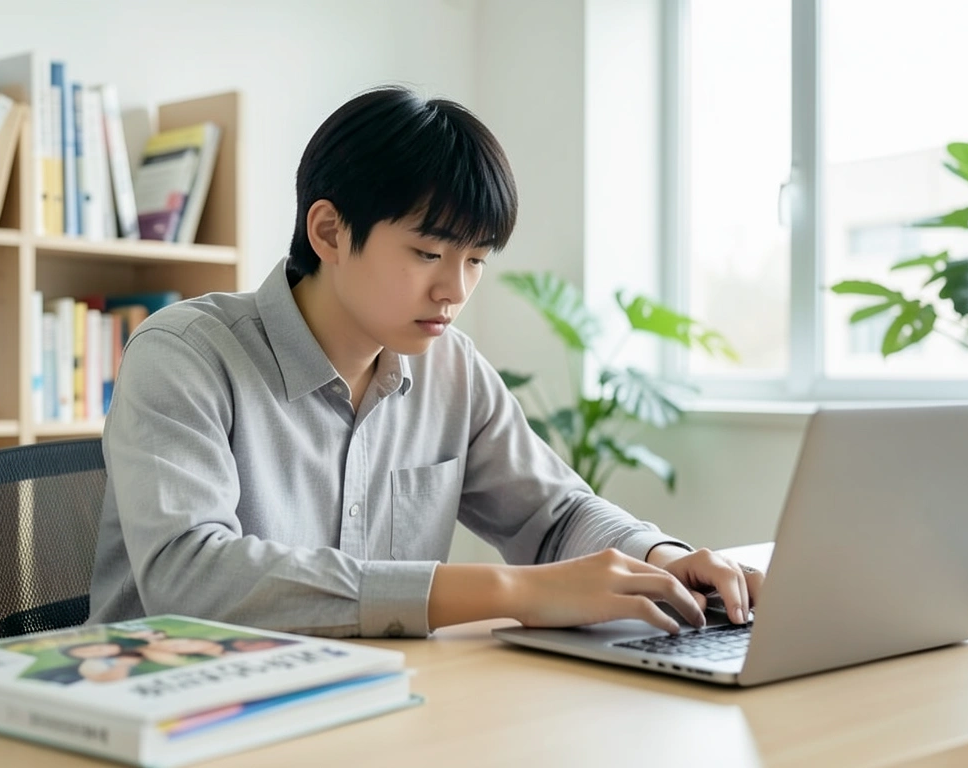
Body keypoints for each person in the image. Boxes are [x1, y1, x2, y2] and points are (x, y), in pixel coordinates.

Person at [88, 85, 764, 639]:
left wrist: (665, 561)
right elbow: (190, 578)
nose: (455, 289)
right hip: (169, 711)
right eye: (427, 253)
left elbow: (553, 515)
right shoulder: (184, 355)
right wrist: (511, 590)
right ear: (327, 231)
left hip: (367, 702)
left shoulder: (451, 371)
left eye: (475, 260)